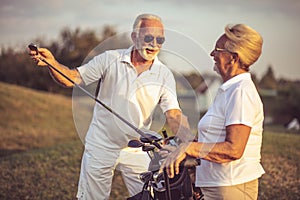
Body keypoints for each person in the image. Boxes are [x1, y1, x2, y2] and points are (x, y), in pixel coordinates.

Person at [29, 13, 184, 199]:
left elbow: (173, 113)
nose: (154, 44)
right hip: (101, 145)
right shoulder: (110, 58)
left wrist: (186, 143)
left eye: (160, 39)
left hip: (138, 149)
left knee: (151, 197)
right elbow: (73, 78)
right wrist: (52, 63)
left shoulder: (164, 74)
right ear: (134, 37)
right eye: (149, 37)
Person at [161, 24, 265, 200]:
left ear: (233, 57)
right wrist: (180, 148)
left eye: (217, 49)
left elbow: (233, 149)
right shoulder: (228, 90)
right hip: (217, 186)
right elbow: (214, 143)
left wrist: (189, 148)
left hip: (231, 188)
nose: (212, 54)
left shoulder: (241, 91)